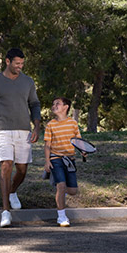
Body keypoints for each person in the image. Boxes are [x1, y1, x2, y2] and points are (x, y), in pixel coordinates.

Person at [0, 48, 41, 228]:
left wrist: (37, 126)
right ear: (7, 61)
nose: (20, 67)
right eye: (17, 63)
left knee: (22, 170)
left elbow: (35, 104)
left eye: (22, 64)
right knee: (6, 165)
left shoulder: (28, 82)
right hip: (3, 130)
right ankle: (5, 212)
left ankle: (12, 191)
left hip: (24, 130)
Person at [43, 97, 81, 227]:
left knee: (73, 191)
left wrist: (83, 151)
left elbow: (78, 141)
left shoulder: (73, 123)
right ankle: (62, 217)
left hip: (69, 159)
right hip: (55, 158)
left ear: (66, 107)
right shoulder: (50, 125)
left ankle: (61, 188)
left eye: (57, 104)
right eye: (53, 104)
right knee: (61, 185)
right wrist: (47, 161)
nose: (54, 106)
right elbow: (47, 145)